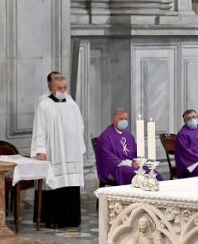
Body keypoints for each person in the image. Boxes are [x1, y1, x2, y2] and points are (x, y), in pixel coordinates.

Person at [31, 71, 86, 228]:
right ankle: (55, 219)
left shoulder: (72, 103)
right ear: (52, 88)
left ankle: (72, 219)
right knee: (56, 183)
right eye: (60, 87)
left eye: (65, 87)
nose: (63, 90)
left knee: (71, 184)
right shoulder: (44, 105)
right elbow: (39, 129)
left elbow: (80, 125)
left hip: (71, 152)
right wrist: (40, 150)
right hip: (55, 152)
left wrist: (78, 144)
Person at [96, 109, 161, 185]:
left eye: (126, 119)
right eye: (121, 119)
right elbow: (108, 157)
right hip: (115, 168)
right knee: (136, 175)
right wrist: (129, 163)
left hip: (132, 165)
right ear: (114, 120)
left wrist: (138, 161)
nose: (124, 121)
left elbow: (137, 152)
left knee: (151, 173)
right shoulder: (106, 136)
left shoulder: (128, 136)